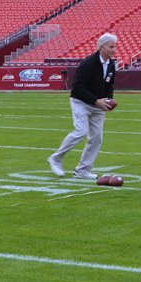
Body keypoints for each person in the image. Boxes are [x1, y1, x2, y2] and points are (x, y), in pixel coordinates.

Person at [48, 33, 117, 180]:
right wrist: (96, 101)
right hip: (81, 102)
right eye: (111, 46)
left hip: (98, 105)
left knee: (97, 138)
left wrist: (108, 100)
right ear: (102, 47)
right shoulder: (88, 63)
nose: (114, 49)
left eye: (114, 46)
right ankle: (56, 158)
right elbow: (77, 88)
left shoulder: (111, 64)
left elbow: (109, 84)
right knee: (81, 131)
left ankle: (82, 170)